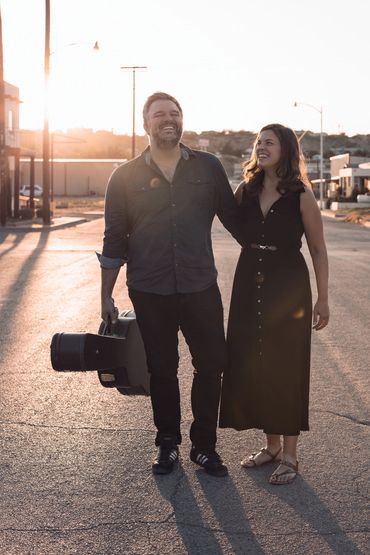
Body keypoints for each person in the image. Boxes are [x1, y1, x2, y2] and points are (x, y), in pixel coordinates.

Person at [100, 92, 243, 477]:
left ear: (182, 121)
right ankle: (167, 443)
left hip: (200, 286)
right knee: (162, 367)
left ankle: (204, 446)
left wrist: (273, 251)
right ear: (145, 123)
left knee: (212, 364)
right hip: (150, 288)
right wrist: (105, 296)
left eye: (175, 113)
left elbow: (234, 218)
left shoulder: (208, 167)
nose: (168, 119)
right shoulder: (124, 176)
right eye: (160, 114)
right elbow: (114, 239)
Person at [219, 123, 329, 485]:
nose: (260, 147)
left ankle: (292, 454)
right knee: (255, 361)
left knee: (286, 365)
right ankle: (272, 446)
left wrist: (323, 298)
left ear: (284, 149)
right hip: (249, 280)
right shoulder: (245, 190)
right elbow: (228, 219)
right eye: (257, 142)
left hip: (289, 284)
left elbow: (317, 249)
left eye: (269, 142)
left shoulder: (301, 196)